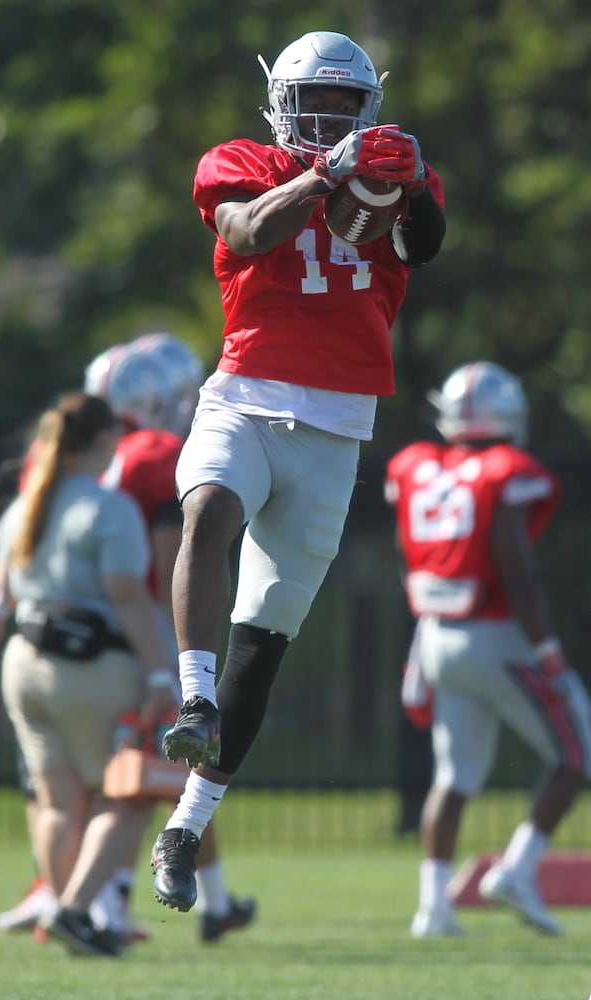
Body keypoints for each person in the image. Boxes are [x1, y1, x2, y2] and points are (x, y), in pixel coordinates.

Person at [150, 29, 446, 912]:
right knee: (208, 511)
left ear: (369, 107)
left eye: (343, 105)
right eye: (312, 102)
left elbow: (422, 248)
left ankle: (184, 829)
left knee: (266, 640)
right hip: (242, 394)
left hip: (337, 424)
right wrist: (323, 175)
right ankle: (192, 701)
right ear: (280, 103)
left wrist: (403, 183)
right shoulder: (238, 162)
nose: (326, 117)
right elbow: (244, 230)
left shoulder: (393, 169)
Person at [0, 335, 256, 945]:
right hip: (116, 646)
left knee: (62, 797)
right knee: (138, 786)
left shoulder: (47, 464)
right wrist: (168, 666)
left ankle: (89, 903)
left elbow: (5, 551)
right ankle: (97, 908)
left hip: (30, 646)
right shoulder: (155, 458)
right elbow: (159, 570)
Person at [384, 361, 591, 938]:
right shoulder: (506, 469)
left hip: (437, 635)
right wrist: (546, 648)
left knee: (456, 775)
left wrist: (422, 631)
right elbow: (514, 565)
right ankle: (518, 871)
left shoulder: (416, 466)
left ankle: (433, 908)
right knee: (580, 754)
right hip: (498, 635)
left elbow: (407, 553)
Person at [0, 391, 180, 956]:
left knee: (57, 802)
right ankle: (74, 911)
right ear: (101, 440)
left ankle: (68, 911)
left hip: (24, 663)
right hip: (95, 663)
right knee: (128, 795)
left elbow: (2, 588)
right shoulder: (109, 506)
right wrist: (160, 675)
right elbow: (126, 593)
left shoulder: (27, 504)